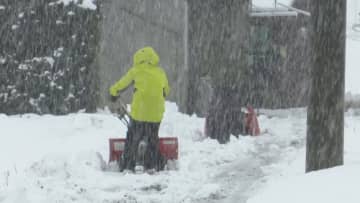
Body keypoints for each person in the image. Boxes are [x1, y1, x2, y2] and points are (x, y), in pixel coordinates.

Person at [109, 46, 170, 172]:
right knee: (153, 137)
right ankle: (153, 164)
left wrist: (113, 92)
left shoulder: (136, 71)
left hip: (140, 112)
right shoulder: (160, 72)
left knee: (132, 137)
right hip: (156, 114)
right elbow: (166, 91)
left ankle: (128, 164)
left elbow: (122, 84)